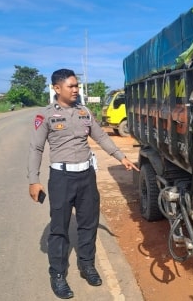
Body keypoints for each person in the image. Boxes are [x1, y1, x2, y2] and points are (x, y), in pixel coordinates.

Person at [27, 68, 139, 299]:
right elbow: (36, 148)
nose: (76, 89)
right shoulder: (45, 115)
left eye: (77, 85)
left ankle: (87, 265)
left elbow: (101, 137)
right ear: (57, 89)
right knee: (59, 228)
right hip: (61, 178)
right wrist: (33, 180)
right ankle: (57, 275)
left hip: (86, 176)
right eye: (71, 86)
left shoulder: (84, 112)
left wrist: (121, 157)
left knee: (88, 224)